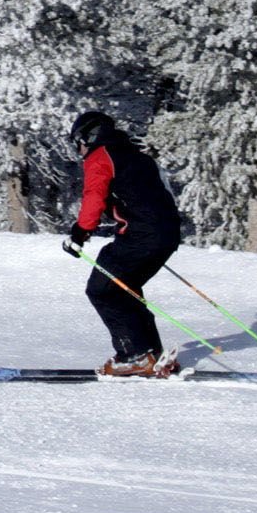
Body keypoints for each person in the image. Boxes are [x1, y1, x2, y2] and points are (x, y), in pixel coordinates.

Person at [64, 110, 184, 377]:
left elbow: (94, 197)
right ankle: (151, 355)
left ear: (89, 136)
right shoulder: (137, 156)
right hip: (166, 233)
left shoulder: (101, 156)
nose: (79, 149)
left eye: (78, 142)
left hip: (142, 234)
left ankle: (134, 356)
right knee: (124, 288)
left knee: (102, 289)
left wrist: (80, 233)